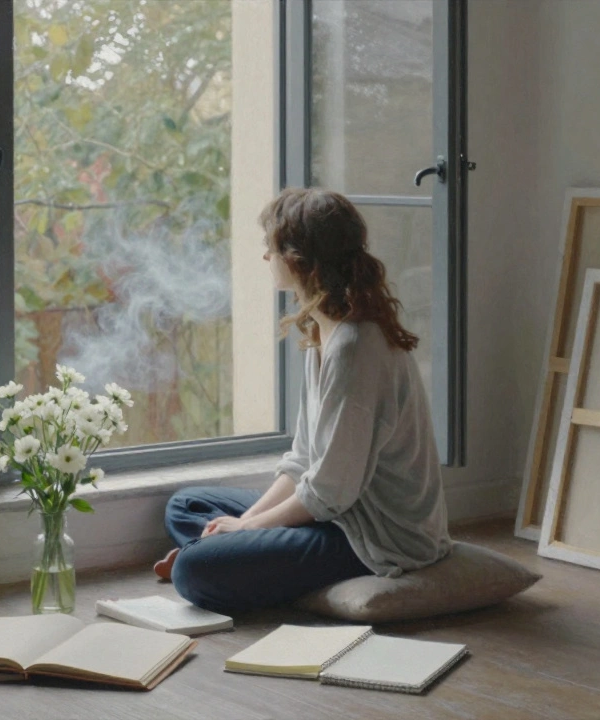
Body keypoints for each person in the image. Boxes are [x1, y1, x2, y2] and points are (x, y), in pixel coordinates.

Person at [152, 187, 452, 615]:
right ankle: (242, 561)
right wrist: (241, 528)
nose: (264, 259)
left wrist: (246, 529)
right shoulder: (324, 331)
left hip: (377, 535)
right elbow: (303, 461)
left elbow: (329, 493)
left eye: (269, 249)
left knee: (193, 573)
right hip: (337, 513)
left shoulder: (355, 346)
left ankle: (225, 563)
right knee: (187, 505)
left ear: (296, 260)